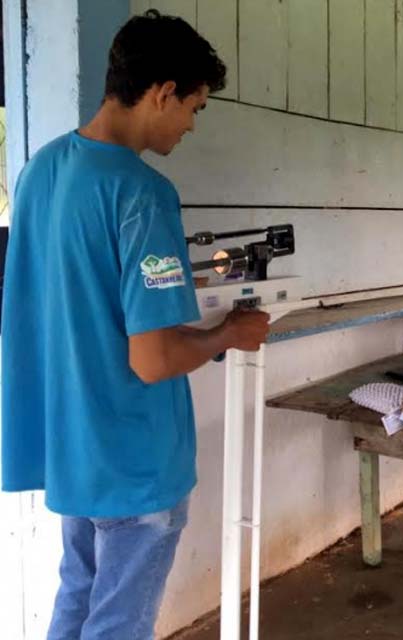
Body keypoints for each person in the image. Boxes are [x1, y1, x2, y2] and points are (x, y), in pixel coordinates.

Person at [0, 12, 270, 639]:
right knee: (118, 626)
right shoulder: (142, 193)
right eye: (193, 107)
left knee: (78, 601)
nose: (190, 125)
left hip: (75, 449)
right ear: (161, 92)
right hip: (135, 460)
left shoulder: (41, 172)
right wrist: (228, 335)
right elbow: (152, 359)